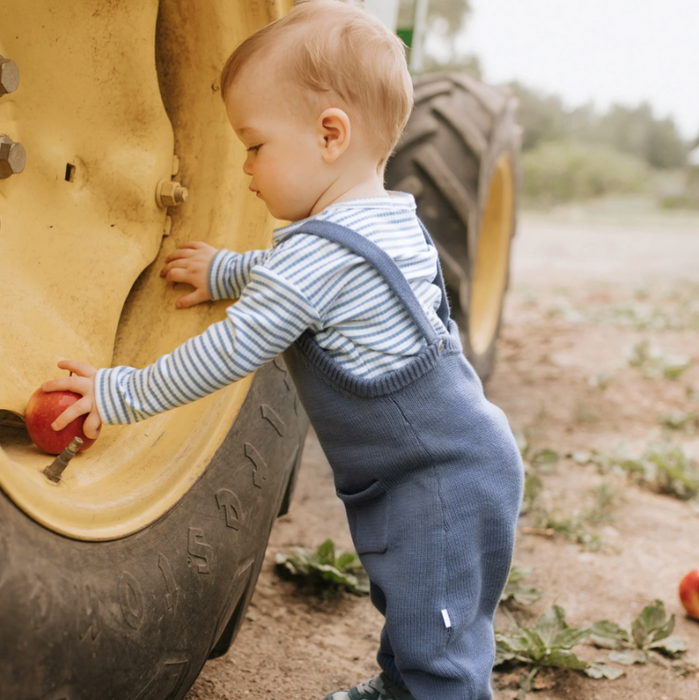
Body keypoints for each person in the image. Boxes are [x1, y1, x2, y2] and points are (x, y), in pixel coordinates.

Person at [43, 2, 523, 698]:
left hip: (440, 481)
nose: (243, 168)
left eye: (255, 145)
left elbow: (232, 348)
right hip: (454, 462)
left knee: (441, 634)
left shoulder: (327, 255)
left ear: (330, 134)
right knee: (418, 603)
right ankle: (400, 686)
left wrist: (119, 393)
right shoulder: (385, 221)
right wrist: (225, 271)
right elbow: (303, 281)